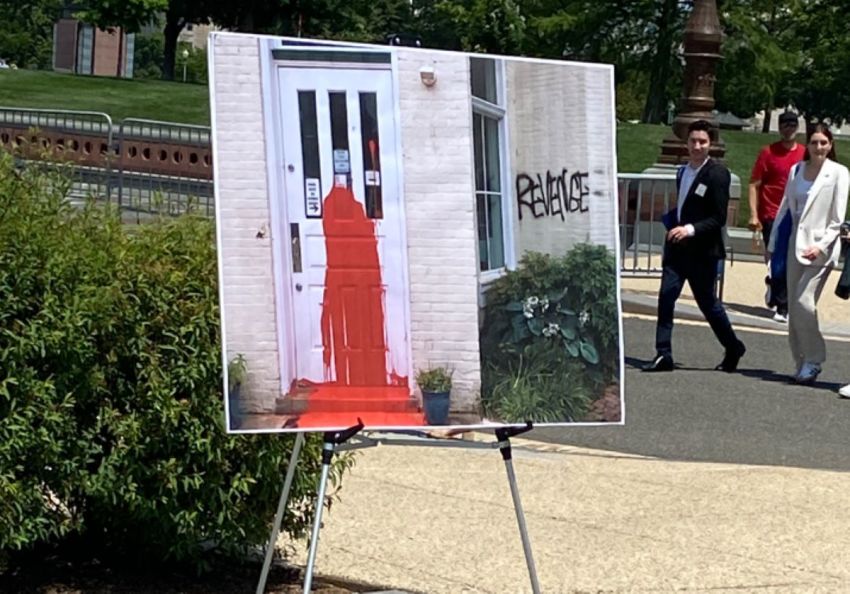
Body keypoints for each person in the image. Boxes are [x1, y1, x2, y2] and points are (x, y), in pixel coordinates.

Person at [643, 119, 746, 373]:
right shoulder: (682, 171)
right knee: (666, 296)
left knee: (708, 304)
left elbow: (718, 218)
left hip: (703, 252)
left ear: (710, 144)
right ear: (686, 142)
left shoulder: (718, 174)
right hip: (678, 250)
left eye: (702, 142)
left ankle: (733, 346)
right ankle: (663, 353)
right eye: (693, 141)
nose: (697, 146)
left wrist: (690, 229)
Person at [767, 123, 849, 384]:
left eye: (824, 142)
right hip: (795, 244)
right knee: (793, 304)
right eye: (814, 142)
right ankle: (801, 361)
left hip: (821, 249)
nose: (819, 147)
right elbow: (785, 210)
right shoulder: (796, 170)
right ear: (808, 144)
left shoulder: (839, 173)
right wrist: (772, 246)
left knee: (804, 301)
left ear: (831, 144)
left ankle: (815, 358)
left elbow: (837, 219)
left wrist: (821, 246)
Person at [748, 110, 806, 323]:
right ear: (779, 127)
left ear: (796, 128)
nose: (788, 129)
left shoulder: (804, 153)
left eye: (792, 125)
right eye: (784, 125)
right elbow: (754, 184)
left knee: (792, 260)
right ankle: (783, 306)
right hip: (771, 214)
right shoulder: (768, 153)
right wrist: (754, 215)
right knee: (777, 260)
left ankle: (778, 293)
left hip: (796, 214)